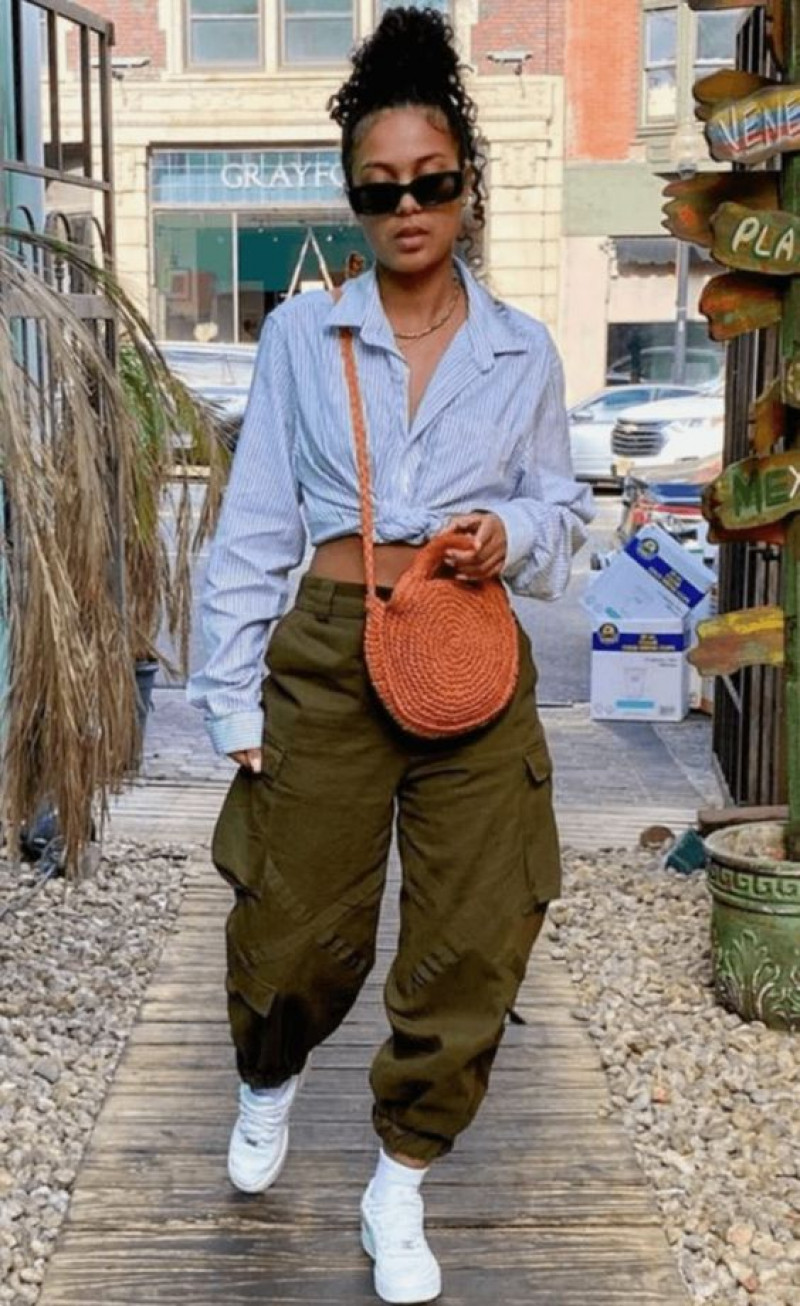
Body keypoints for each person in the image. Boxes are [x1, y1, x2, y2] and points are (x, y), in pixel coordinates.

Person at [187, 8, 594, 1303]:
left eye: (430, 181)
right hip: (323, 653)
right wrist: (229, 691)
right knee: (297, 932)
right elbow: (253, 522)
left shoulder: (522, 348)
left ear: (467, 185)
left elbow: (567, 515)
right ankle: (270, 1072)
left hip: (472, 655)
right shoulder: (304, 341)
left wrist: (508, 529)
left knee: (480, 932)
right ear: (356, 197)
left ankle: (399, 1179)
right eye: (380, 187)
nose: (407, 204)